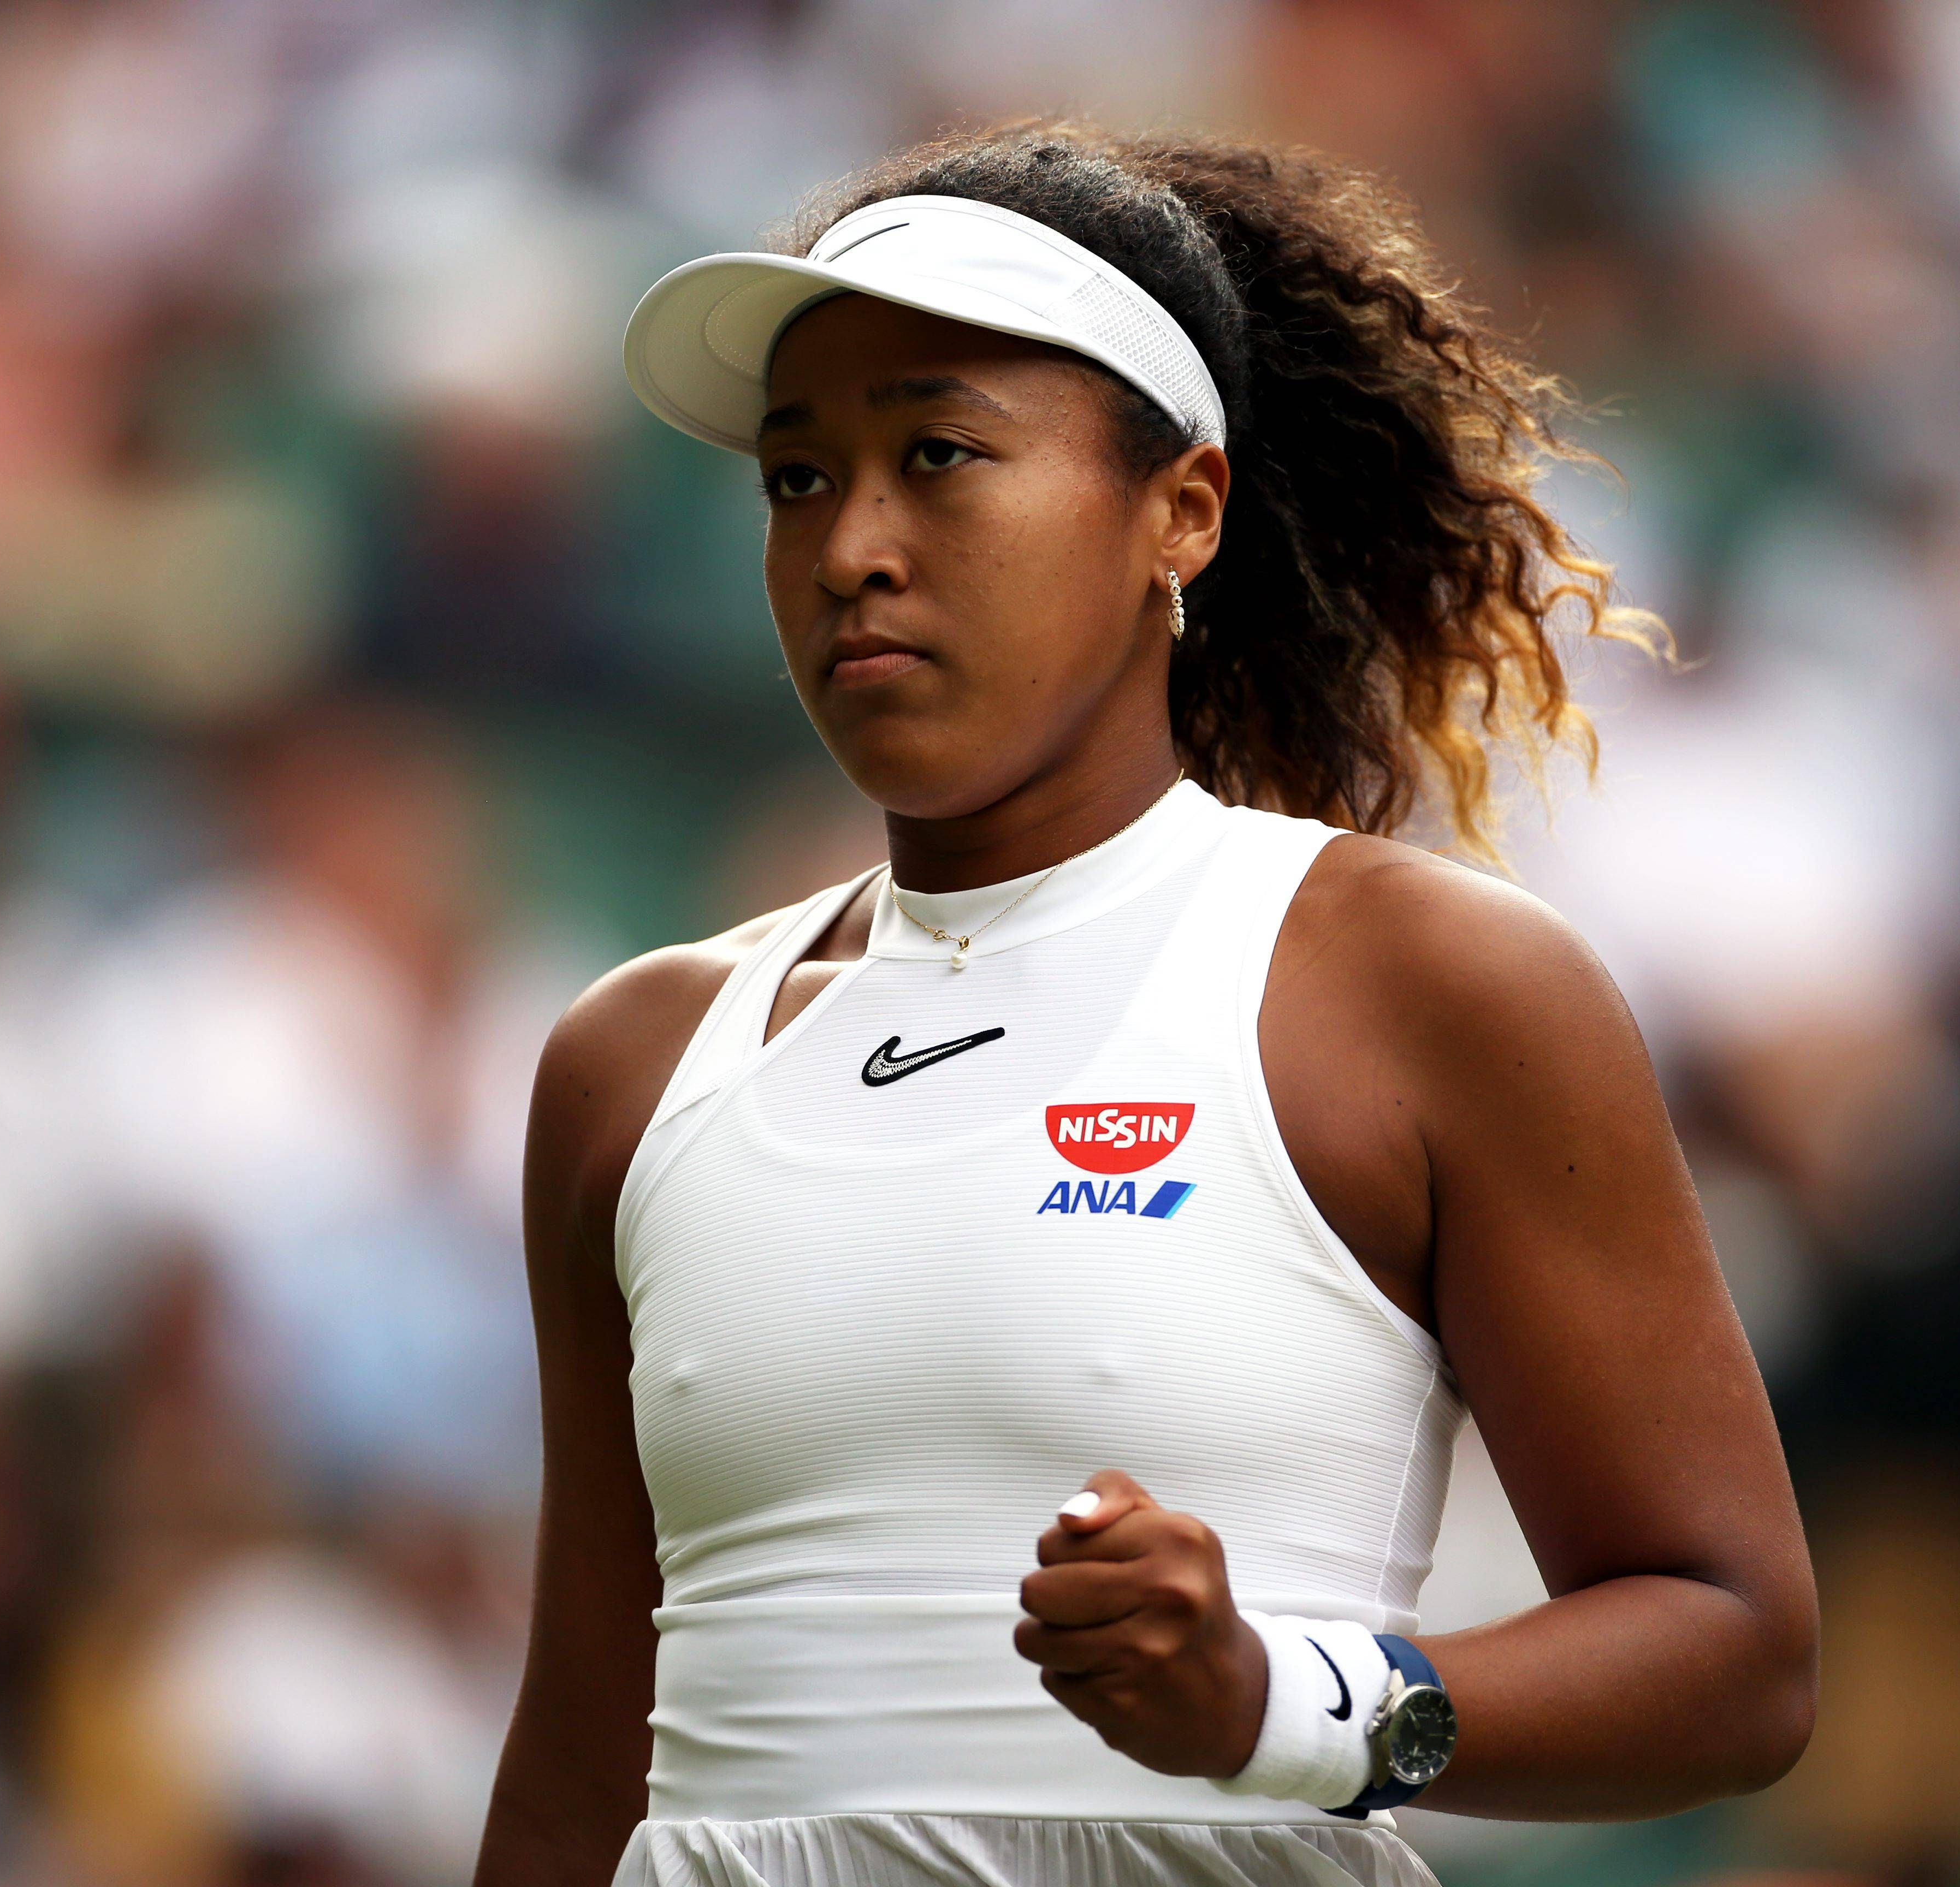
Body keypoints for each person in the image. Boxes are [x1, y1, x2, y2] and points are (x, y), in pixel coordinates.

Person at [476, 124, 1817, 1887]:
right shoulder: (631, 1066)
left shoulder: (1428, 988)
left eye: (940, 454)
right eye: (797, 480)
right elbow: (586, 1766)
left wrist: (1288, 1710)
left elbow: (1738, 1656)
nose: (852, 547)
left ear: (1178, 511)